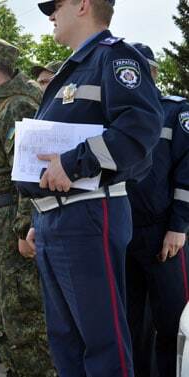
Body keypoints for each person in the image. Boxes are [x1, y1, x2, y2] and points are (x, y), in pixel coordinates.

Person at [21, 2, 164, 376]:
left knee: (101, 342)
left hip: (89, 215)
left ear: (83, 4)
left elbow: (140, 129)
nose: (50, 14)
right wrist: (42, 211)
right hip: (59, 218)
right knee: (66, 341)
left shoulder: (114, 59)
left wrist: (73, 162)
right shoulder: (73, 70)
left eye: (56, 5)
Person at [0, 36, 56, 377]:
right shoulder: (1, 107)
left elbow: (30, 172)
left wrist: (23, 228)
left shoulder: (17, 106)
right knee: (4, 322)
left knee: (23, 323)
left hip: (8, 230)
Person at [126, 42, 189, 377]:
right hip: (123, 233)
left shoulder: (175, 112)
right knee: (131, 322)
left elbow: (187, 170)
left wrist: (178, 225)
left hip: (164, 235)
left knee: (170, 321)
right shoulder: (118, 114)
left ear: (152, 72)